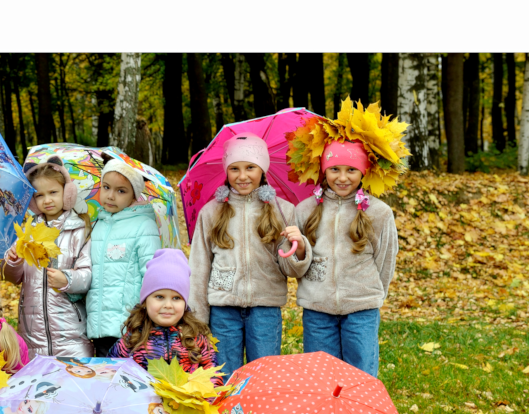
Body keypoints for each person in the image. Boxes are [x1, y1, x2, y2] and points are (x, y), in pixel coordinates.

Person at [283, 108, 403, 377]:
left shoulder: (379, 212)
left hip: (360, 309)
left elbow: (385, 261)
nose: (342, 177)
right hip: (317, 309)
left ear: (364, 172)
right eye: (334, 169)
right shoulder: (304, 210)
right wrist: (299, 252)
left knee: (360, 373)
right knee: (322, 374)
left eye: (351, 170)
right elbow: (292, 266)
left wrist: (369, 294)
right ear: (323, 171)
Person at [187, 134, 304, 369]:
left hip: (265, 307)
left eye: (250, 167)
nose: (242, 176)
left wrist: (298, 248)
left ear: (263, 169)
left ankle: (258, 408)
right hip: (223, 309)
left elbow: (291, 270)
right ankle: (227, 408)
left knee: (263, 374)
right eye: (234, 169)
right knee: (224, 373)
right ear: (226, 171)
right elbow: (199, 268)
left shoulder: (284, 211)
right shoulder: (211, 212)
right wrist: (197, 319)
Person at [82, 161, 178, 359]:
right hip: (100, 324)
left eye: (121, 191)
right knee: (103, 378)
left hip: (130, 325)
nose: (110, 195)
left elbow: (151, 275)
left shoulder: (143, 225)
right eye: (106, 187)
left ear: (134, 195)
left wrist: (147, 316)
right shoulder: (98, 224)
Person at [2, 157, 94, 359]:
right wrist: (13, 262)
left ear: (67, 194)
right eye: (40, 195)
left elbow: (87, 275)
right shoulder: (28, 232)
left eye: (53, 192)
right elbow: (12, 277)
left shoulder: (79, 231)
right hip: (31, 333)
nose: (47, 200)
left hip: (71, 333)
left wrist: (67, 279)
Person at [111, 250, 220, 374]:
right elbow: (112, 370)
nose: (168, 305)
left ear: (185, 303)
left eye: (176, 298)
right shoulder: (132, 340)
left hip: (187, 393)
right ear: (146, 301)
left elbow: (212, 372)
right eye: (159, 297)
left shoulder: (196, 338)